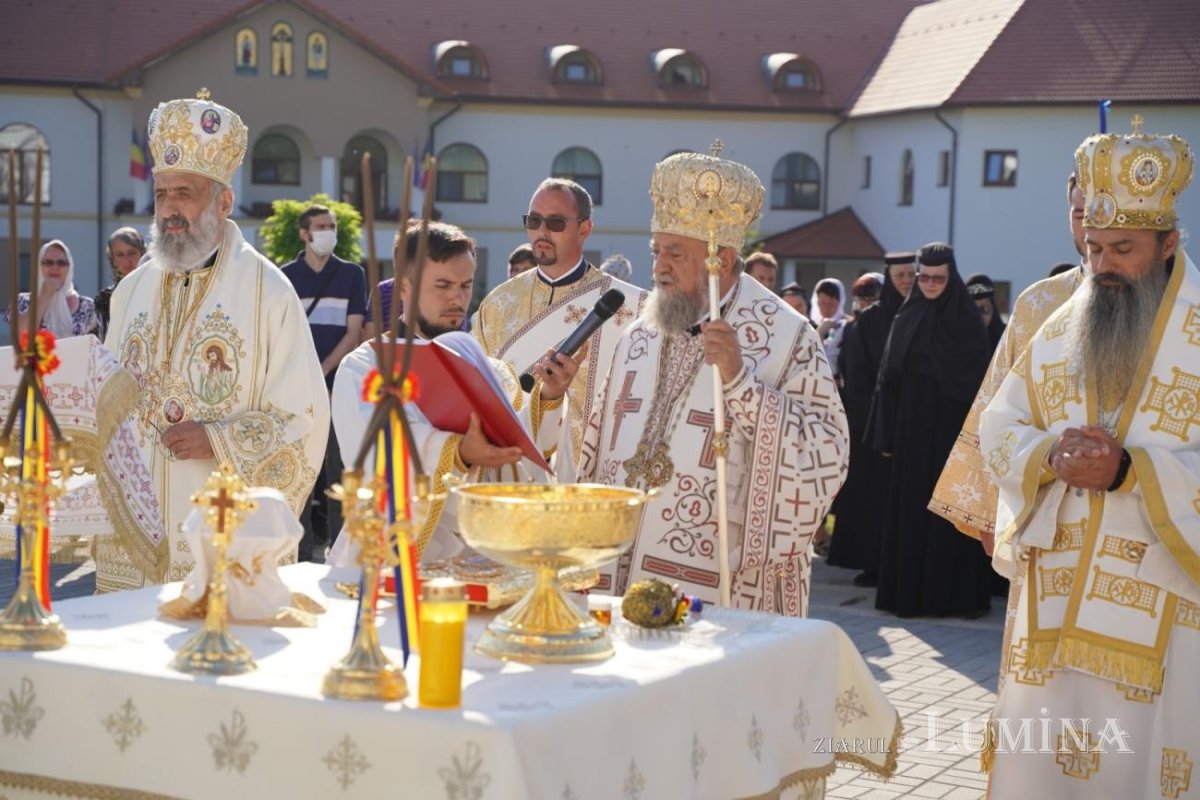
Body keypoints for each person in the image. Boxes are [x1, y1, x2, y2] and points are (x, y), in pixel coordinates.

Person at [979, 124, 1197, 798]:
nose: (1102, 266)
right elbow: (999, 423)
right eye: (1095, 248)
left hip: (1166, 612)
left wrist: (1134, 473)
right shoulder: (1058, 327)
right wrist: (1048, 453)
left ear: (1169, 243)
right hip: (1053, 613)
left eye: (1124, 250)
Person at [577, 150, 848, 616]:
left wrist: (740, 382)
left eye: (675, 253)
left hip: (722, 581)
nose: (659, 267)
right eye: (656, 251)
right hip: (617, 569)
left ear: (720, 259)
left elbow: (826, 453)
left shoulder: (784, 336)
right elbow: (597, 442)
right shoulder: (640, 332)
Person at [102, 91, 329, 591]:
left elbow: (305, 416)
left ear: (223, 202)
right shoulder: (132, 290)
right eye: (161, 194)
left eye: (183, 192)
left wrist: (219, 439)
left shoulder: (269, 292)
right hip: (136, 540)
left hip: (219, 529)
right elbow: (108, 395)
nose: (168, 209)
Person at [331, 221, 579, 564]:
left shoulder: (494, 371)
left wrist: (549, 398)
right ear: (404, 287)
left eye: (465, 286)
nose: (457, 298)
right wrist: (458, 452)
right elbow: (375, 450)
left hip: (486, 558)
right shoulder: (367, 366)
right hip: (400, 563)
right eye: (443, 285)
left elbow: (526, 453)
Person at [930, 172, 1088, 554]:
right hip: (1046, 519)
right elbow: (997, 411)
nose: (1091, 228)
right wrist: (987, 509)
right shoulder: (1040, 304)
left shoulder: (1185, 314)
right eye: (1080, 213)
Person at [472, 177, 646, 470]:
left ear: (584, 229)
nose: (541, 231)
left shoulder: (633, 307)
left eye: (555, 223)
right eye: (534, 220)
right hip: (513, 476)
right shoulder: (497, 304)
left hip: (593, 479)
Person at [871, 243, 992, 618]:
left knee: (950, 514)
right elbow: (887, 379)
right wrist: (886, 434)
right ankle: (907, 597)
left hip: (952, 436)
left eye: (938, 278)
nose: (930, 284)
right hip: (912, 432)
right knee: (911, 511)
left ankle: (951, 599)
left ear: (951, 277)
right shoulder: (906, 317)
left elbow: (979, 385)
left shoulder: (968, 323)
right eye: (924, 277)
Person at [280, 203, 367, 561]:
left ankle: (340, 550)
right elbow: (281, 333)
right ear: (305, 233)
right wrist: (304, 376)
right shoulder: (284, 276)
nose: (329, 232)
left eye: (332, 226)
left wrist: (322, 372)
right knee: (298, 469)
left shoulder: (351, 274)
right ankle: (296, 551)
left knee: (337, 468)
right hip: (294, 389)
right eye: (321, 226)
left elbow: (354, 332)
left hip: (336, 386)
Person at [826, 252, 914, 587]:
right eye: (900, 274)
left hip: (913, 428)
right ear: (890, 277)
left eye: (910, 274)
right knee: (874, 501)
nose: (905, 280)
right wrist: (877, 422)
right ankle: (873, 564)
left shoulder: (925, 313)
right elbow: (856, 374)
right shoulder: (870, 322)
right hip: (873, 428)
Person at [13, 240, 99, 338]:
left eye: (61, 263)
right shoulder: (22, 301)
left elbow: (94, 344)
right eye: (48, 263)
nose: (55, 267)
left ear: (69, 267)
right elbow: (21, 336)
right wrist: (44, 297)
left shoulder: (87, 306)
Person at [95, 227, 147, 336]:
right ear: (113, 260)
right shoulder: (105, 298)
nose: (127, 260)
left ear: (142, 254)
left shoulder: (156, 291)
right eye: (120, 255)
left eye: (132, 253)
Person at [811, 278, 848, 385]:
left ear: (840, 302)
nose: (826, 308)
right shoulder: (812, 324)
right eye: (822, 303)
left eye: (831, 304)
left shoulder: (847, 325)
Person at [965, 273, 1007, 348]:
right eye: (972, 309)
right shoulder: (952, 340)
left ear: (993, 310)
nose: (978, 316)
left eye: (984, 309)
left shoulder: (1007, 340)